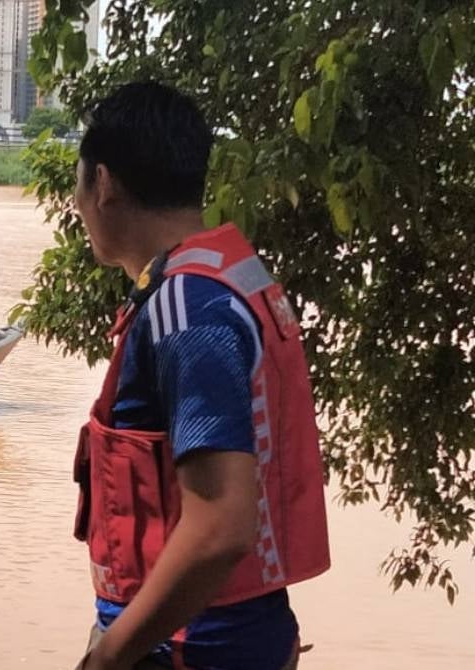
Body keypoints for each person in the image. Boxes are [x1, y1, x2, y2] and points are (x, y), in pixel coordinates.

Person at [70, 82, 330, 670]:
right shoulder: (227, 279)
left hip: (188, 648)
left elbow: (219, 527)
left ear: (103, 183)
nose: (77, 205)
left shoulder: (187, 309)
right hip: (225, 634)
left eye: (77, 184)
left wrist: (105, 659)